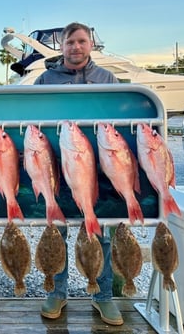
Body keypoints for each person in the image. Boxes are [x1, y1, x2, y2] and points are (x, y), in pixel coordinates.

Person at [34, 22, 122, 326]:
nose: (76, 47)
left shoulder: (107, 78)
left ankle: (103, 295)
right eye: (70, 42)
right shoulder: (46, 79)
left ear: (90, 44)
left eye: (82, 41)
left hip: (97, 170)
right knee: (56, 230)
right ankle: (58, 292)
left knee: (100, 232)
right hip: (56, 167)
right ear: (62, 46)